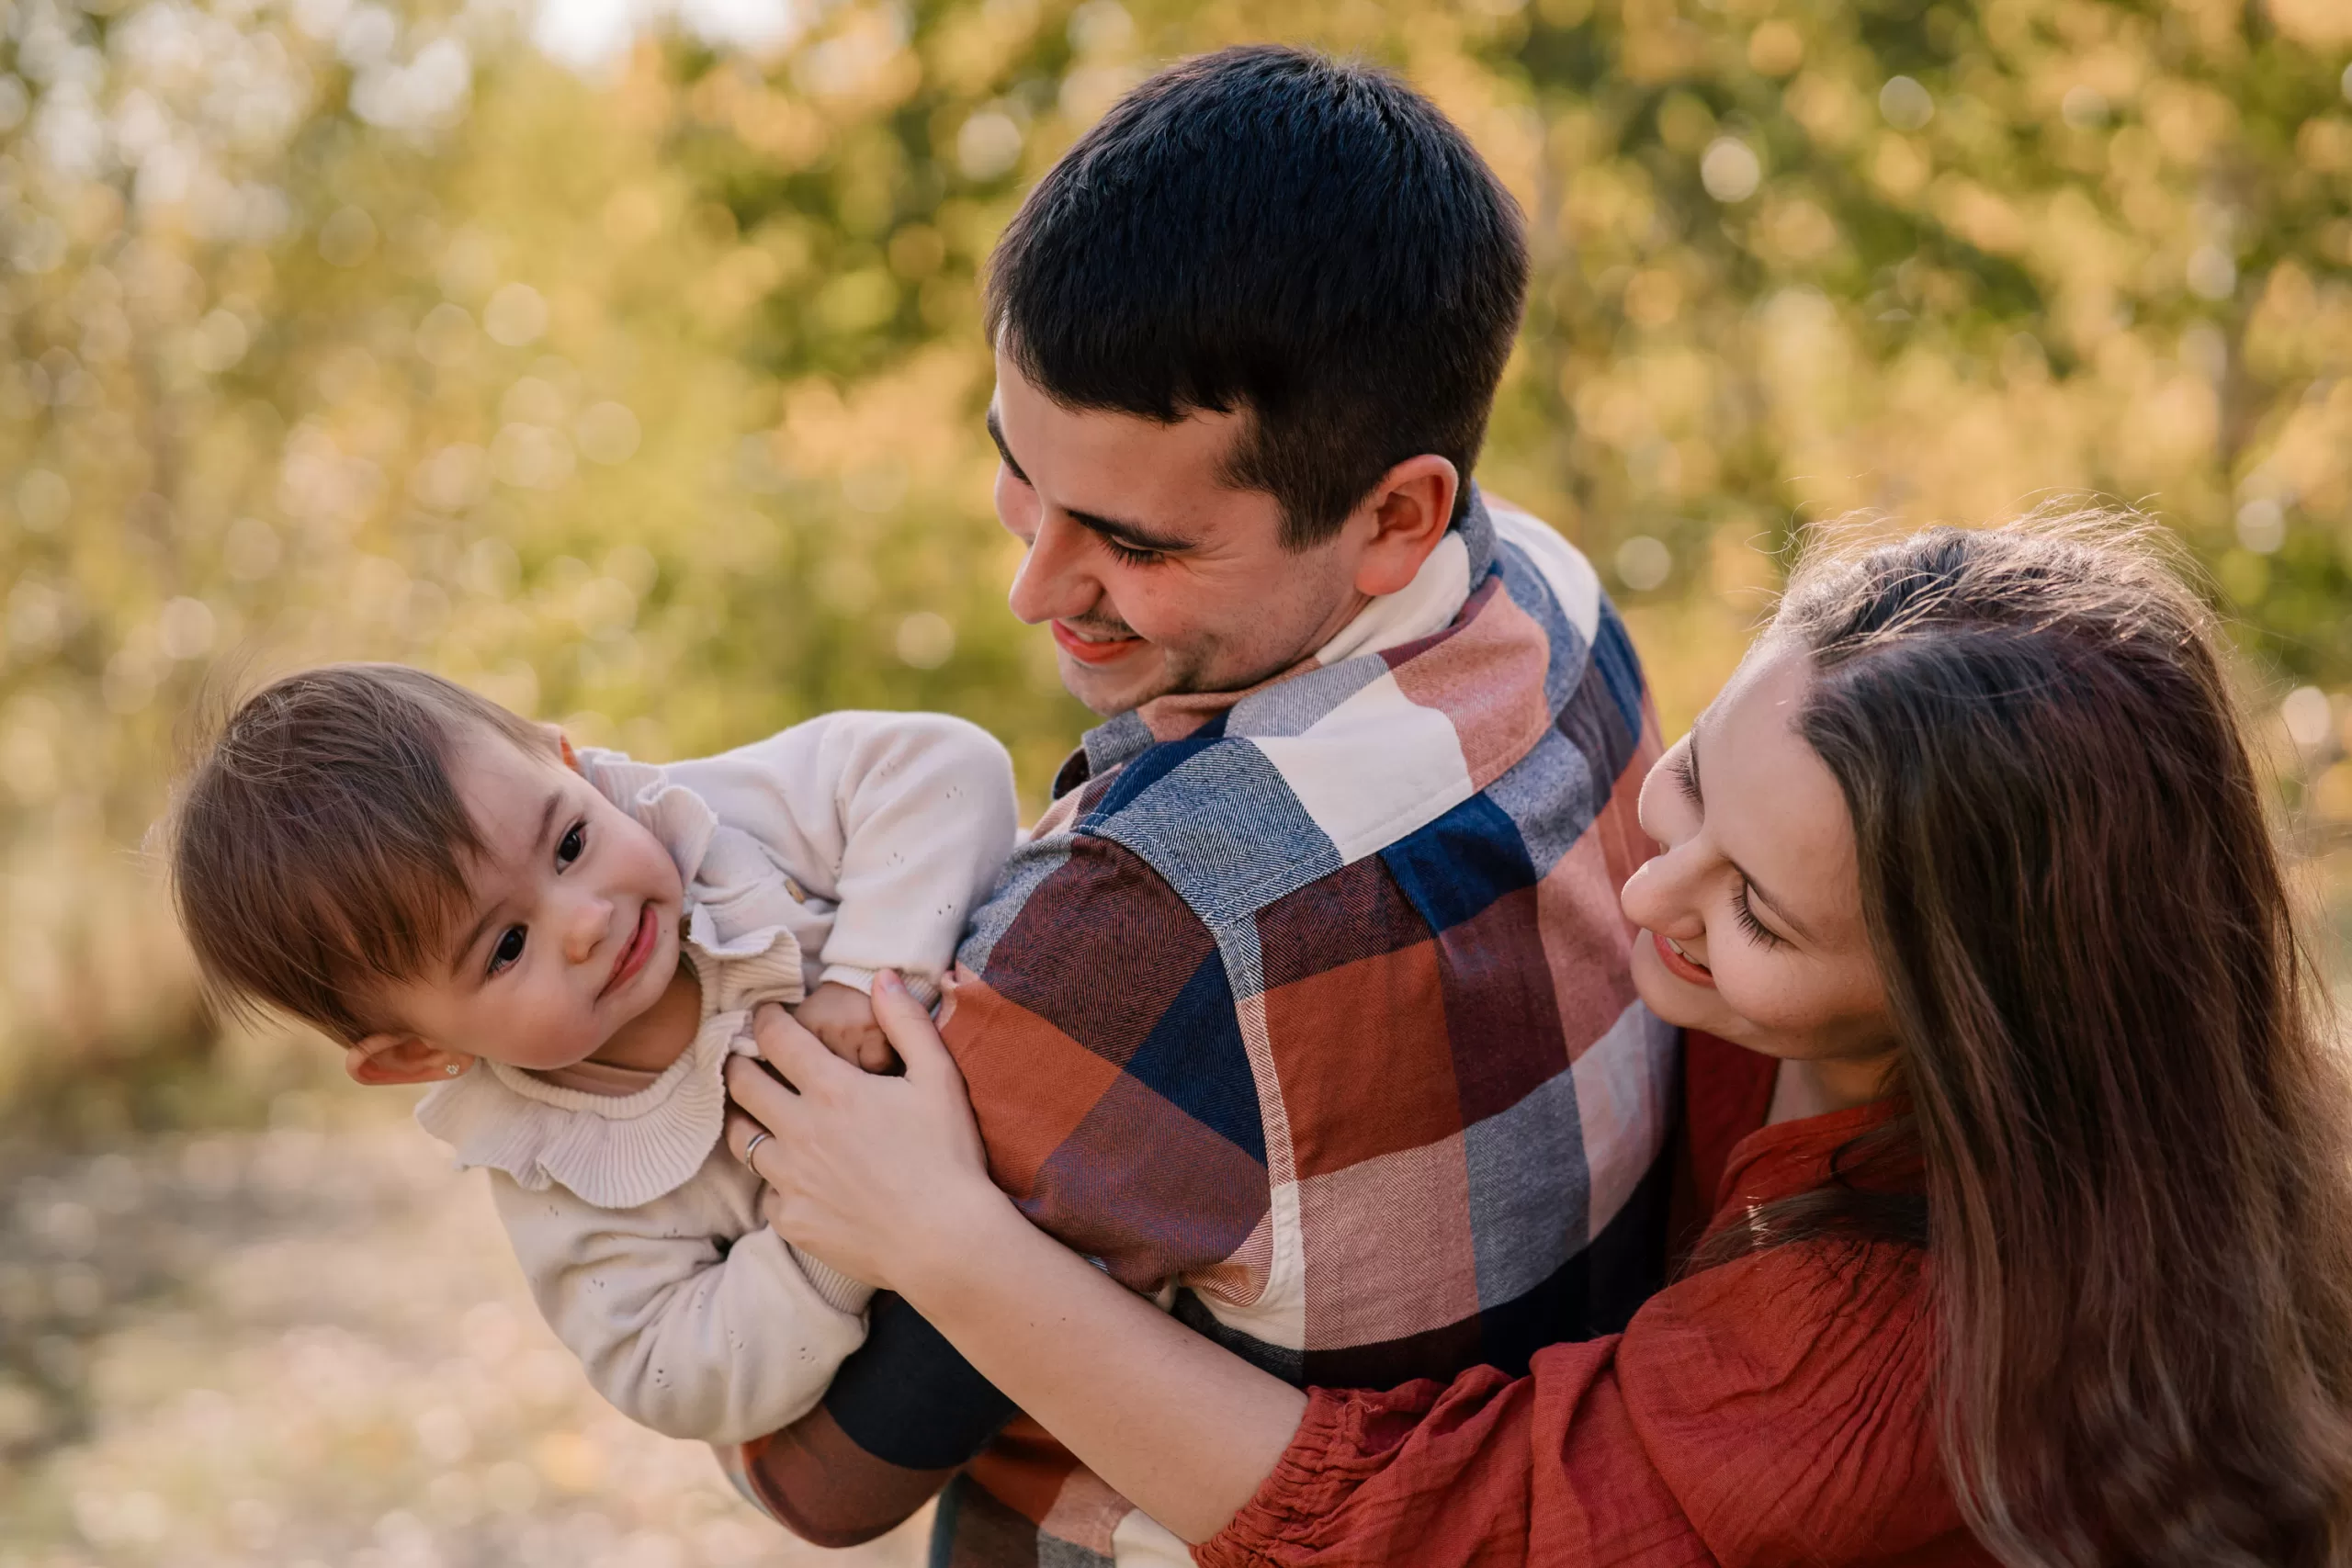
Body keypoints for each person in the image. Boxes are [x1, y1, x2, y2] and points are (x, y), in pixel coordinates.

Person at [729, 516, 2352, 1567]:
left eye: (1765, 919)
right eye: (1699, 774)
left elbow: (1438, 1531)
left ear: (1976, 1014)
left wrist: (943, 1240)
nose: (1648, 885)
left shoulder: (1903, 1340)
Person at [729, 44, 1674, 1567]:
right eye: (1016, 473)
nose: (1034, 584)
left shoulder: (1139, 924)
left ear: (1392, 516)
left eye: (1134, 542)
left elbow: (817, 1480)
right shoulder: (1555, 595)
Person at [166, 664, 1018, 1449]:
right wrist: (836, 1233)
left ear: (566, 760)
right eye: (504, 947)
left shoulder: (723, 829)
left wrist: (866, 973)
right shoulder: (564, 1178)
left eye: (569, 844)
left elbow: (947, 766)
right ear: (418, 1052)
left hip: (1074, 1061)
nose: (585, 920)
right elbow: (669, 1369)